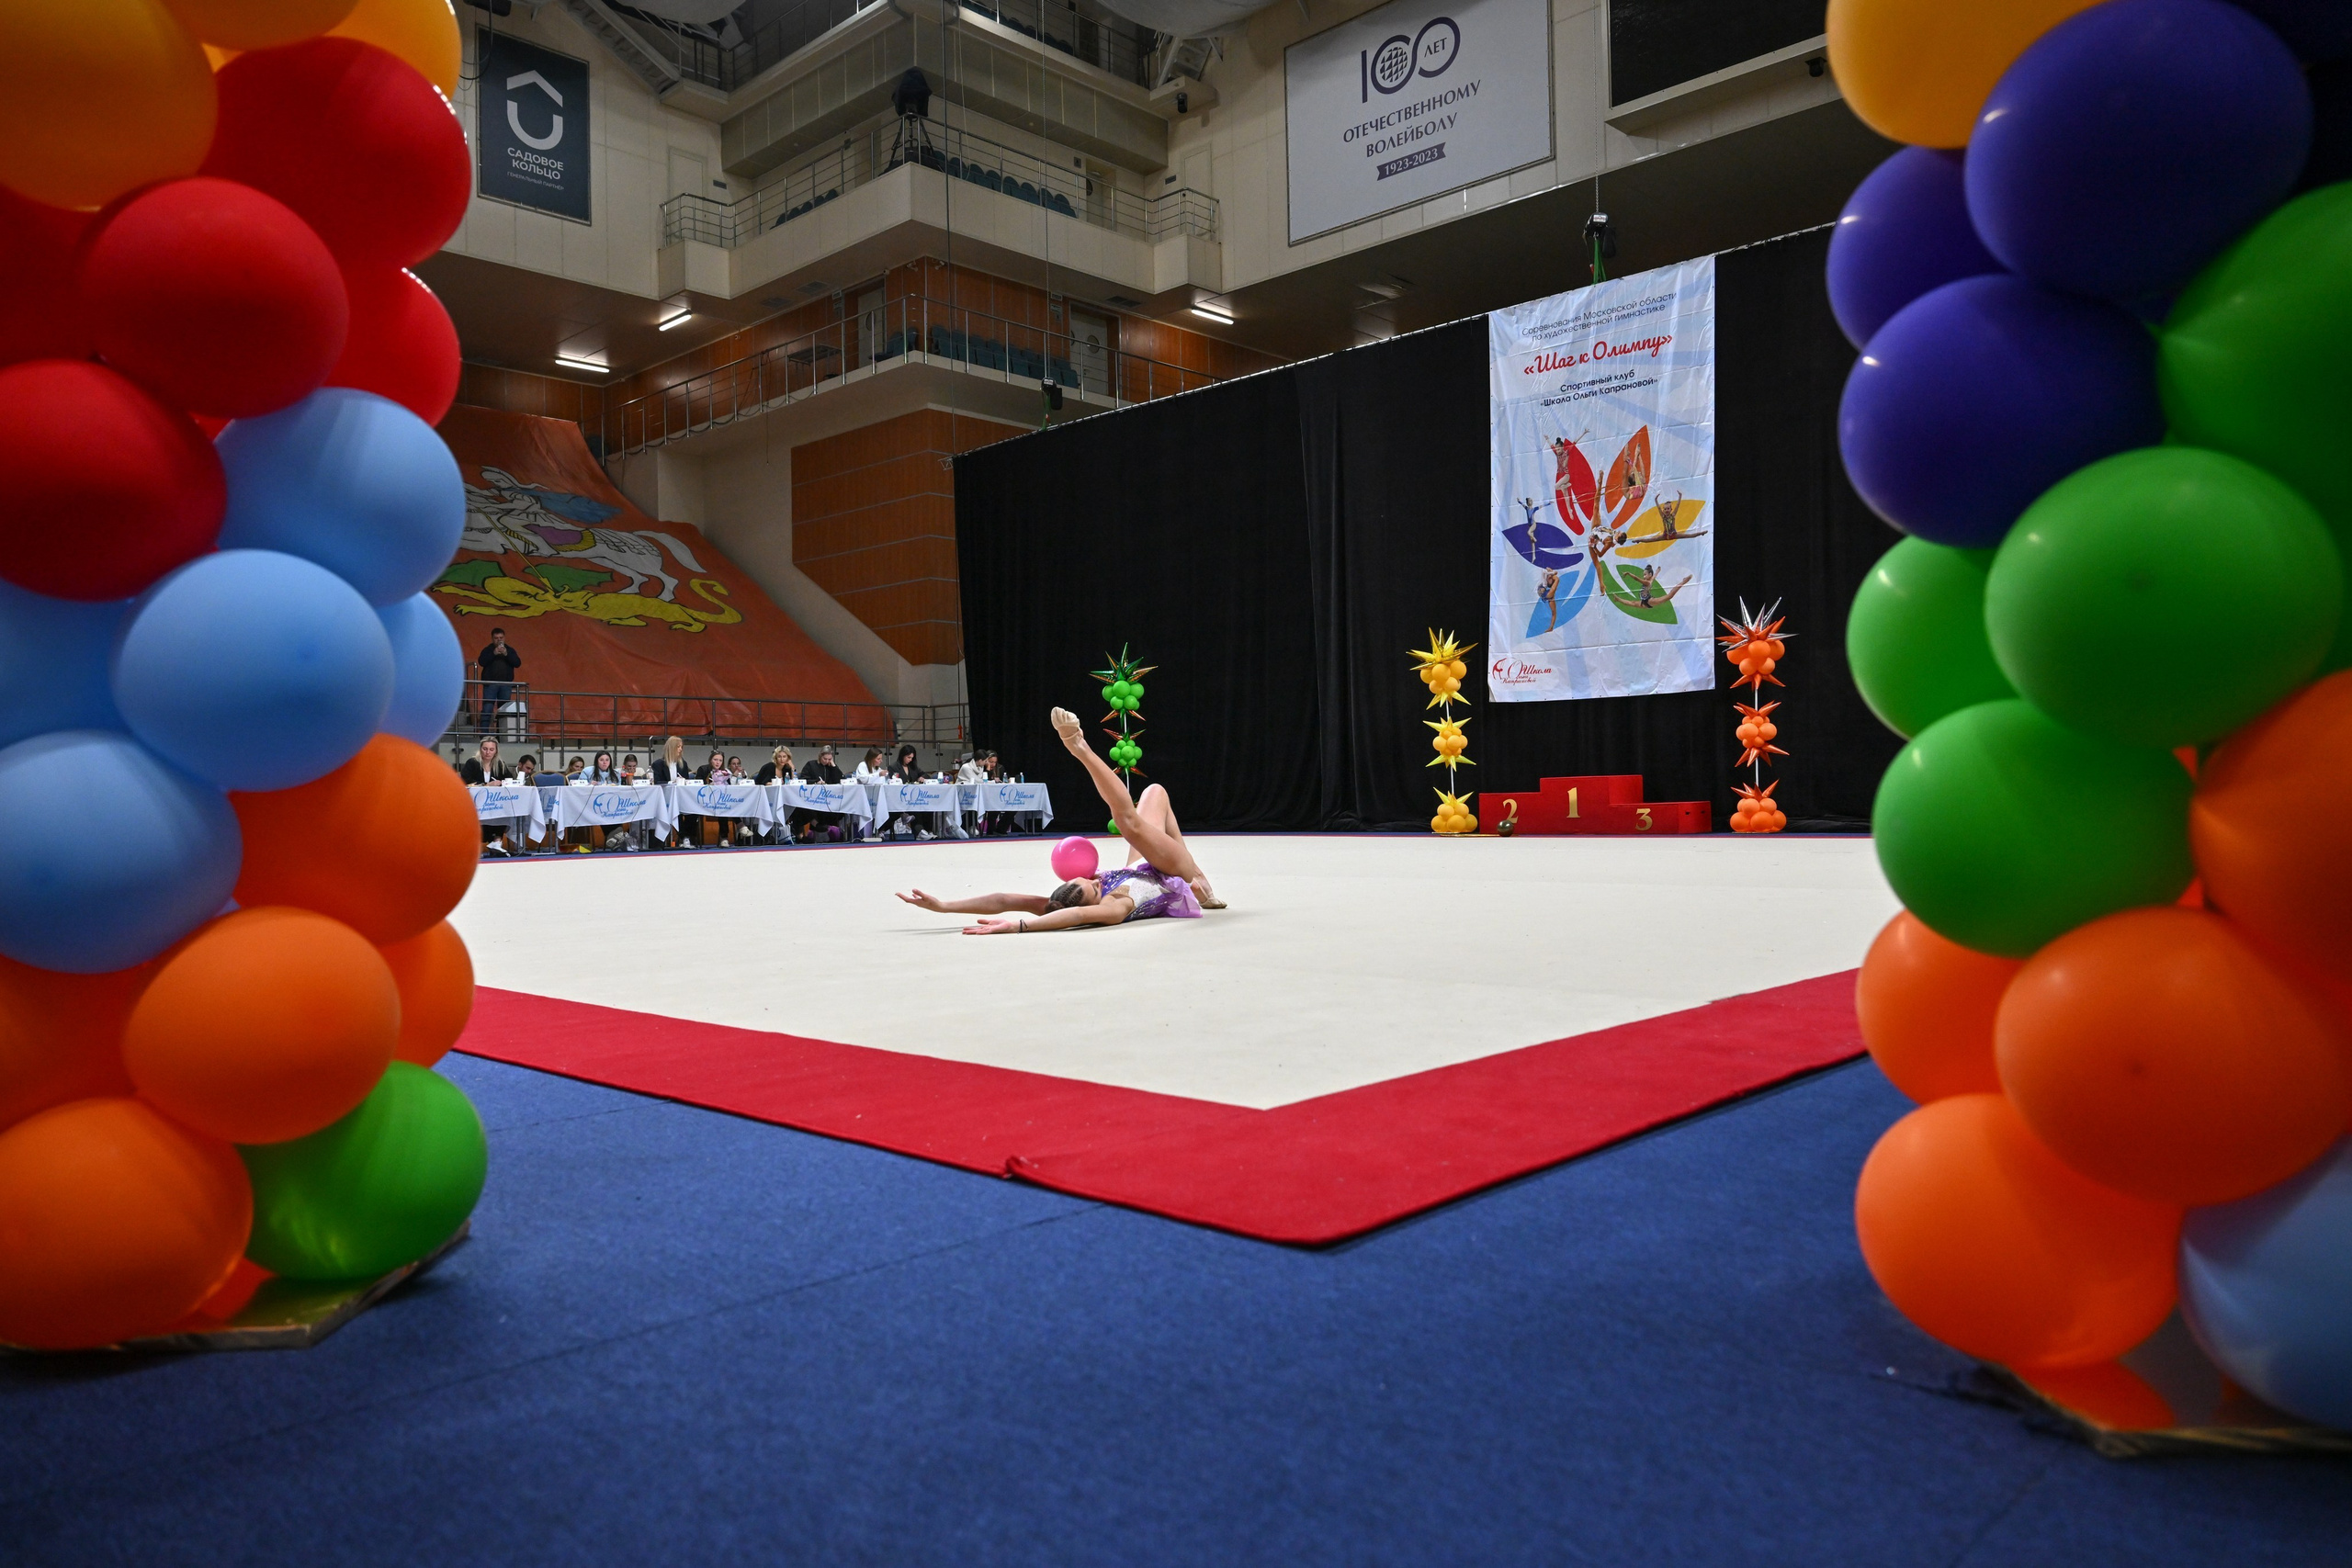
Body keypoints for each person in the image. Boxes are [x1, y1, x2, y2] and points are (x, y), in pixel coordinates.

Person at [896, 708, 1224, 934]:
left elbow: (1006, 899)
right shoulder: (1113, 908)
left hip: (1143, 866)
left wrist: (944, 906)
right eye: (1095, 887)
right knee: (1128, 822)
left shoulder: (1058, 902)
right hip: (1170, 872)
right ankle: (1079, 747)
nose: (1099, 880)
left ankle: (1199, 879)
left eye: (1090, 880)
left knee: (1155, 792)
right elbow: (1078, 914)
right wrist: (1019, 926)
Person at [461, 738, 518, 856]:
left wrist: (502, 783)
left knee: (505, 810)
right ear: (480, 749)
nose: (488, 752)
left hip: (495, 801)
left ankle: (497, 842)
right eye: (485, 749)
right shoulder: (472, 763)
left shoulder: (500, 764)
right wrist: (487, 785)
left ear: (496, 751)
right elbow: (466, 780)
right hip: (475, 801)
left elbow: (508, 779)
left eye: (491, 750)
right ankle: (475, 845)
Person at [653, 735, 699, 850]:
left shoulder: (683, 764)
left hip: (681, 797)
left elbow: (685, 781)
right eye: (678, 747)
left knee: (693, 810)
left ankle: (687, 837)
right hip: (665, 798)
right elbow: (657, 782)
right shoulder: (658, 764)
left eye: (681, 747)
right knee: (676, 810)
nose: (680, 749)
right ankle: (683, 836)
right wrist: (672, 782)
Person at [795, 745, 848, 842]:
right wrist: (816, 782)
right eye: (825, 759)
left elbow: (841, 780)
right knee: (803, 808)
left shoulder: (831, 767)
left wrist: (834, 766)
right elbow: (803, 779)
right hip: (812, 798)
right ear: (820, 757)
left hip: (829, 799)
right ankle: (815, 824)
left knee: (841, 805)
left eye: (829, 759)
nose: (827, 761)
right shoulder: (811, 765)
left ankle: (834, 833)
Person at [475, 627, 522, 733]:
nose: (499, 640)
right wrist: (494, 653)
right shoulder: (488, 650)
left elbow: (517, 663)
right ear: (492, 639)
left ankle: (502, 735)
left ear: (504, 638)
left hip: (505, 685)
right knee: (487, 709)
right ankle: (484, 735)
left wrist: (506, 654)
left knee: (504, 711)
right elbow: (481, 661)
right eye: (496, 638)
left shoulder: (510, 650)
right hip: (490, 684)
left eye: (501, 638)